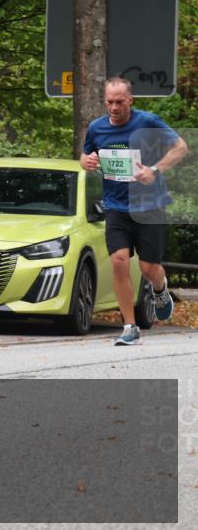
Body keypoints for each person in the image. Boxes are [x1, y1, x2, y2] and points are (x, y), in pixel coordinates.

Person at [81, 77, 189, 346]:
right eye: (109, 102)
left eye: (119, 102)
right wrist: (88, 161)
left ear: (130, 100)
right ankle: (130, 326)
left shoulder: (148, 122)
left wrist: (154, 171)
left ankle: (160, 289)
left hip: (150, 206)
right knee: (119, 260)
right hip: (116, 206)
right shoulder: (97, 128)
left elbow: (181, 147)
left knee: (147, 267)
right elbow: (84, 157)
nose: (114, 107)